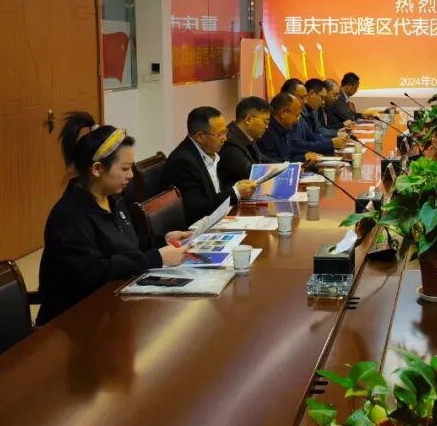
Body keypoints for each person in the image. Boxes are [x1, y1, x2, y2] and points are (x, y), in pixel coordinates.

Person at [38, 112, 189, 325]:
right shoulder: (69, 215)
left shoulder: (113, 198)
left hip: (116, 304)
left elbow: (127, 247)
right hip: (75, 320)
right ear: (97, 169)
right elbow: (92, 272)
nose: (131, 175)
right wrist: (156, 258)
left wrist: (163, 241)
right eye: (125, 169)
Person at [163, 107, 257, 224]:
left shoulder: (210, 152)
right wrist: (236, 192)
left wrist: (238, 187)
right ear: (200, 136)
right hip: (197, 226)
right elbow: (196, 209)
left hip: (217, 217)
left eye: (225, 132)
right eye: (220, 134)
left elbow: (217, 191)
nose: (225, 138)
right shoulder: (183, 162)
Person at [218, 96, 272, 190]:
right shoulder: (229, 143)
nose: (267, 127)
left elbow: (262, 160)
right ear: (248, 119)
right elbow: (251, 174)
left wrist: (286, 167)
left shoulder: (246, 136)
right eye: (265, 122)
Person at [258, 92, 324, 163]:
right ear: (284, 113)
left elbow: (289, 153)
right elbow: (272, 164)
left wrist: (308, 154)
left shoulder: (284, 128)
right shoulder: (266, 132)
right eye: (296, 116)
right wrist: (303, 158)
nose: (298, 120)